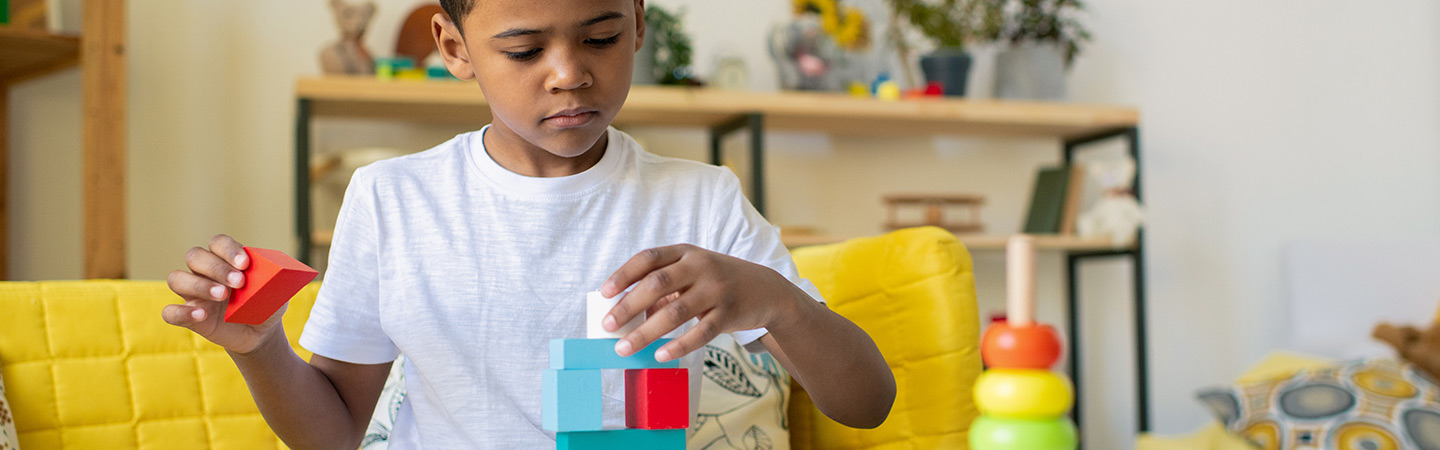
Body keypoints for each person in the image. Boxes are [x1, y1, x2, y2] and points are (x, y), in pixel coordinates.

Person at [162, 0, 895, 448]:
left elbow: (866, 404)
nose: (568, 72)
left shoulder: (702, 201)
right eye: (523, 50)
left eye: (600, 38)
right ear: (455, 49)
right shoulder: (392, 198)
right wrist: (260, 348)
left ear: (638, 21)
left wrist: (773, 298)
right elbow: (334, 435)